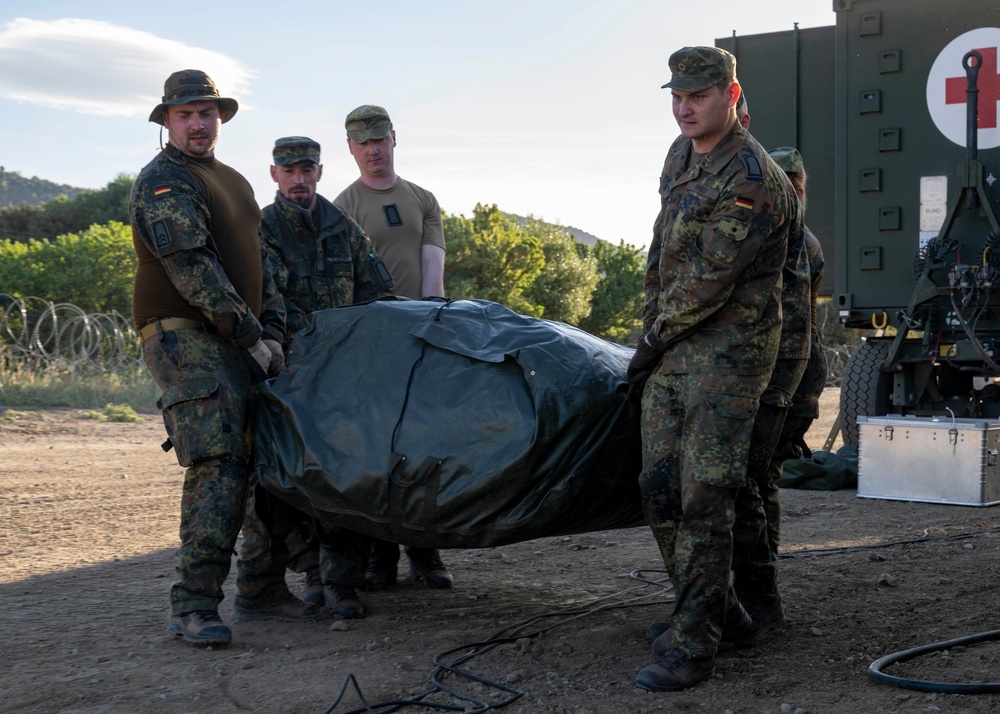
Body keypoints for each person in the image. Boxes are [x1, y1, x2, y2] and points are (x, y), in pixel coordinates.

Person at [627, 47, 799, 691]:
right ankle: (720, 611)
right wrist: (652, 328)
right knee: (657, 486)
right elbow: (661, 245)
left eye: (698, 96)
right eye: (677, 95)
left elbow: (707, 280)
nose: (684, 107)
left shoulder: (753, 176)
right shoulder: (680, 155)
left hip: (727, 357)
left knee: (706, 493)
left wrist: (651, 338)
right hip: (674, 348)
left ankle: (695, 642)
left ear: (731, 94)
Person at [129, 69, 301, 646]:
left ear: (220, 117)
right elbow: (193, 269)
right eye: (185, 115)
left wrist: (272, 334)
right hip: (185, 335)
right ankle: (193, 605)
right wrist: (252, 336)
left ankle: (260, 586)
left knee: (263, 461)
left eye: (206, 112)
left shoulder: (233, 180)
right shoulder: (163, 182)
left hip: (240, 338)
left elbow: (264, 264)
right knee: (220, 462)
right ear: (167, 122)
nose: (198, 123)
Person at [235, 136, 394, 620]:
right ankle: (285, 580)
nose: (299, 179)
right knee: (277, 482)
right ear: (274, 175)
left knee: (344, 478)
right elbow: (251, 298)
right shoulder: (258, 229)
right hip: (283, 375)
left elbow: (379, 294)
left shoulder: (343, 229)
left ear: (320, 172)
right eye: (289, 171)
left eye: (306, 169)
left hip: (341, 379)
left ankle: (340, 584)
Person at [334, 104, 452, 590]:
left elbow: (433, 271)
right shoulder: (342, 206)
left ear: (393, 138)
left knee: (424, 446)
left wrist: (430, 323)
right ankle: (378, 557)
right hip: (368, 344)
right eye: (363, 142)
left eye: (379, 139)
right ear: (351, 148)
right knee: (374, 451)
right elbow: (342, 281)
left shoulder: (422, 199)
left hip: (420, 335)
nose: (372, 149)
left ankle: (425, 555)